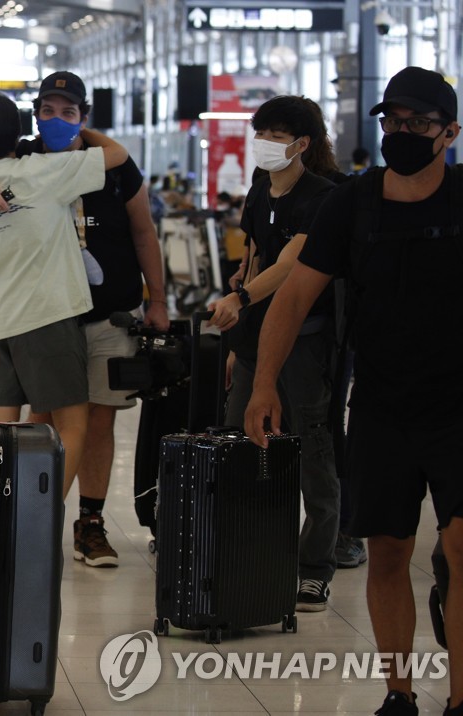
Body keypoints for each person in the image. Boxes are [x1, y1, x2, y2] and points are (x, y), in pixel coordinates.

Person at [244, 67, 460, 716]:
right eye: (391, 122)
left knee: (458, 546)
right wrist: (262, 385)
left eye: (416, 124)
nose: (401, 134)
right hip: (381, 403)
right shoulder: (352, 204)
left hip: (459, 406)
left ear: (449, 133)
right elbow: (293, 297)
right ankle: (398, 693)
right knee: (389, 549)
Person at [0, 88, 128, 512]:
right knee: (71, 426)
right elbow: (116, 153)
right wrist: (76, 126)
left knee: (1, 431)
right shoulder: (46, 170)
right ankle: (40, 517)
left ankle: (3, 513)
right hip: (46, 318)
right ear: (25, 128)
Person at [11, 71, 169, 568]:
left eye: (68, 111)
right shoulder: (21, 161)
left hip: (110, 315)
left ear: (84, 118)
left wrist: (159, 300)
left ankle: (91, 523)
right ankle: (33, 521)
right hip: (44, 315)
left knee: (100, 420)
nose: (56, 120)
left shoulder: (115, 167)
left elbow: (144, 234)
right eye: (47, 110)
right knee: (43, 418)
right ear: (35, 113)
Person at [207, 95, 340, 612]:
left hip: (306, 339)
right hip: (257, 336)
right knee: (242, 432)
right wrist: (240, 322)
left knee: (312, 441)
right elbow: (257, 253)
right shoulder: (260, 189)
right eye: (260, 132)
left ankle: (314, 566)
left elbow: (291, 263)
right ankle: (247, 546)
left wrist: (240, 298)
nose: (265, 144)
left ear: (302, 144)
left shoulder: (323, 197)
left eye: (277, 136)